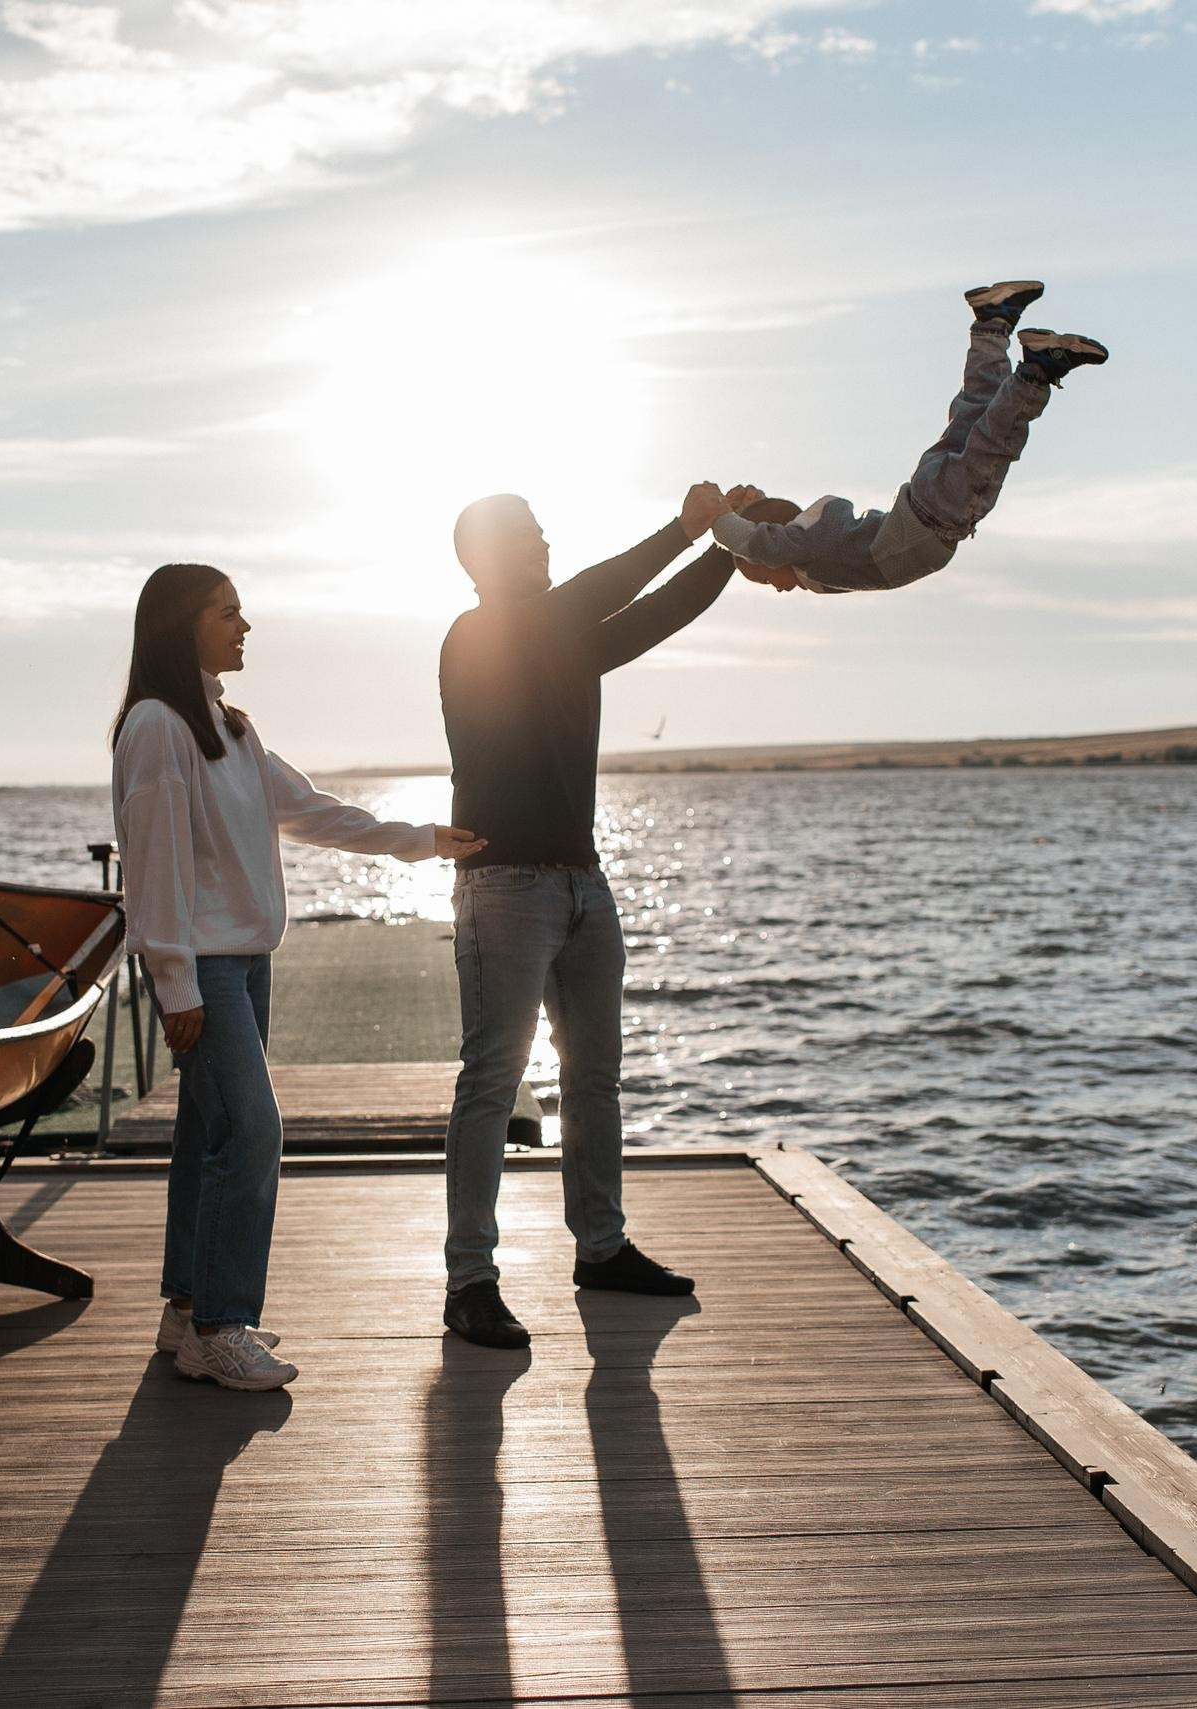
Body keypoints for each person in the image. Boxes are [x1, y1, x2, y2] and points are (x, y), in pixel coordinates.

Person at [113, 563, 484, 1390]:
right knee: (253, 1131)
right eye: (228, 612)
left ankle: (188, 1310)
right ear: (182, 624)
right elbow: (154, 862)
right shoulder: (156, 727)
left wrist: (419, 839)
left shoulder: (230, 728)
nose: (245, 626)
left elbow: (310, 810)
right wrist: (174, 981)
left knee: (208, 1137)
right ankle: (220, 1327)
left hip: (245, 963)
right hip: (205, 968)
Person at [436, 481, 736, 1349]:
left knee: (595, 1075)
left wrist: (735, 546)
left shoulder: (566, 635)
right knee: (491, 1080)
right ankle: (469, 1279)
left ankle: (601, 1247)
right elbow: (603, 591)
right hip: (504, 888)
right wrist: (685, 527)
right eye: (529, 534)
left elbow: (657, 612)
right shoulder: (476, 636)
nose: (545, 541)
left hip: (583, 886)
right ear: (488, 557)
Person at [712, 281, 1107, 595]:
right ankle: (992, 322)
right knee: (975, 411)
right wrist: (752, 506)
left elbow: (759, 543)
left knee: (994, 445)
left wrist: (717, 519)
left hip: (936, 517)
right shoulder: (821, 554)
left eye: (766, 578)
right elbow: (771, 534)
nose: (778, 589)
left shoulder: (805, 549)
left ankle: (1036, 372)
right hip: (923, 499)